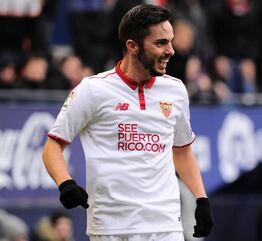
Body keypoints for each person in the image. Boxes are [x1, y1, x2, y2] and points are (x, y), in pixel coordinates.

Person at [42, 4, 213, 241]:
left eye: (171, 41)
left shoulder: (175, 90)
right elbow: (52, 147)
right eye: (161, 43)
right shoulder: (93, 89)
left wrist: (201, 198)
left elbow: (182, 150)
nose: (171, 50)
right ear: (132, 46)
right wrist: (65, 183)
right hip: (111, 228)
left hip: (165, 225)